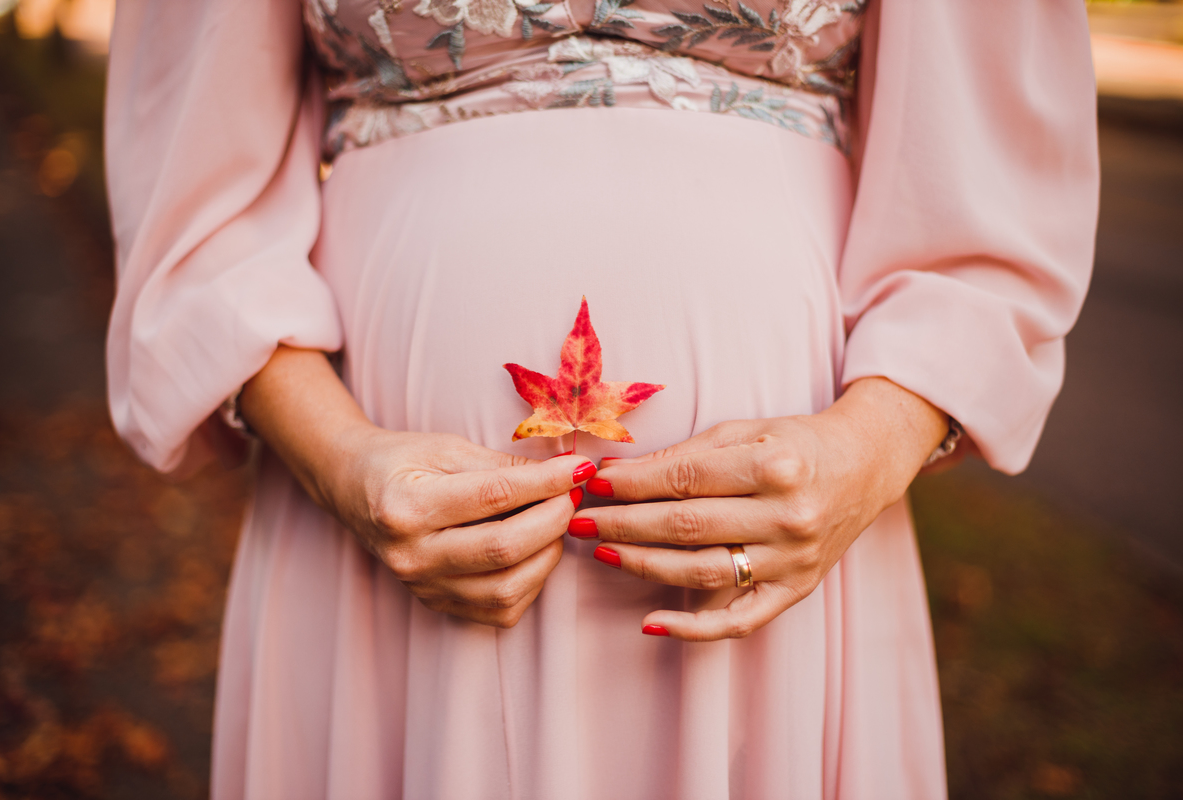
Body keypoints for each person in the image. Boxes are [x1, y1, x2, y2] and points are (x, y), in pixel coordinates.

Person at [103, 0, 1098, 796]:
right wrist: (339, 456)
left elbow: (989, 199)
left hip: (788, 564)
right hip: (367, 557)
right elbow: (196, 211)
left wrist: (868, 446)